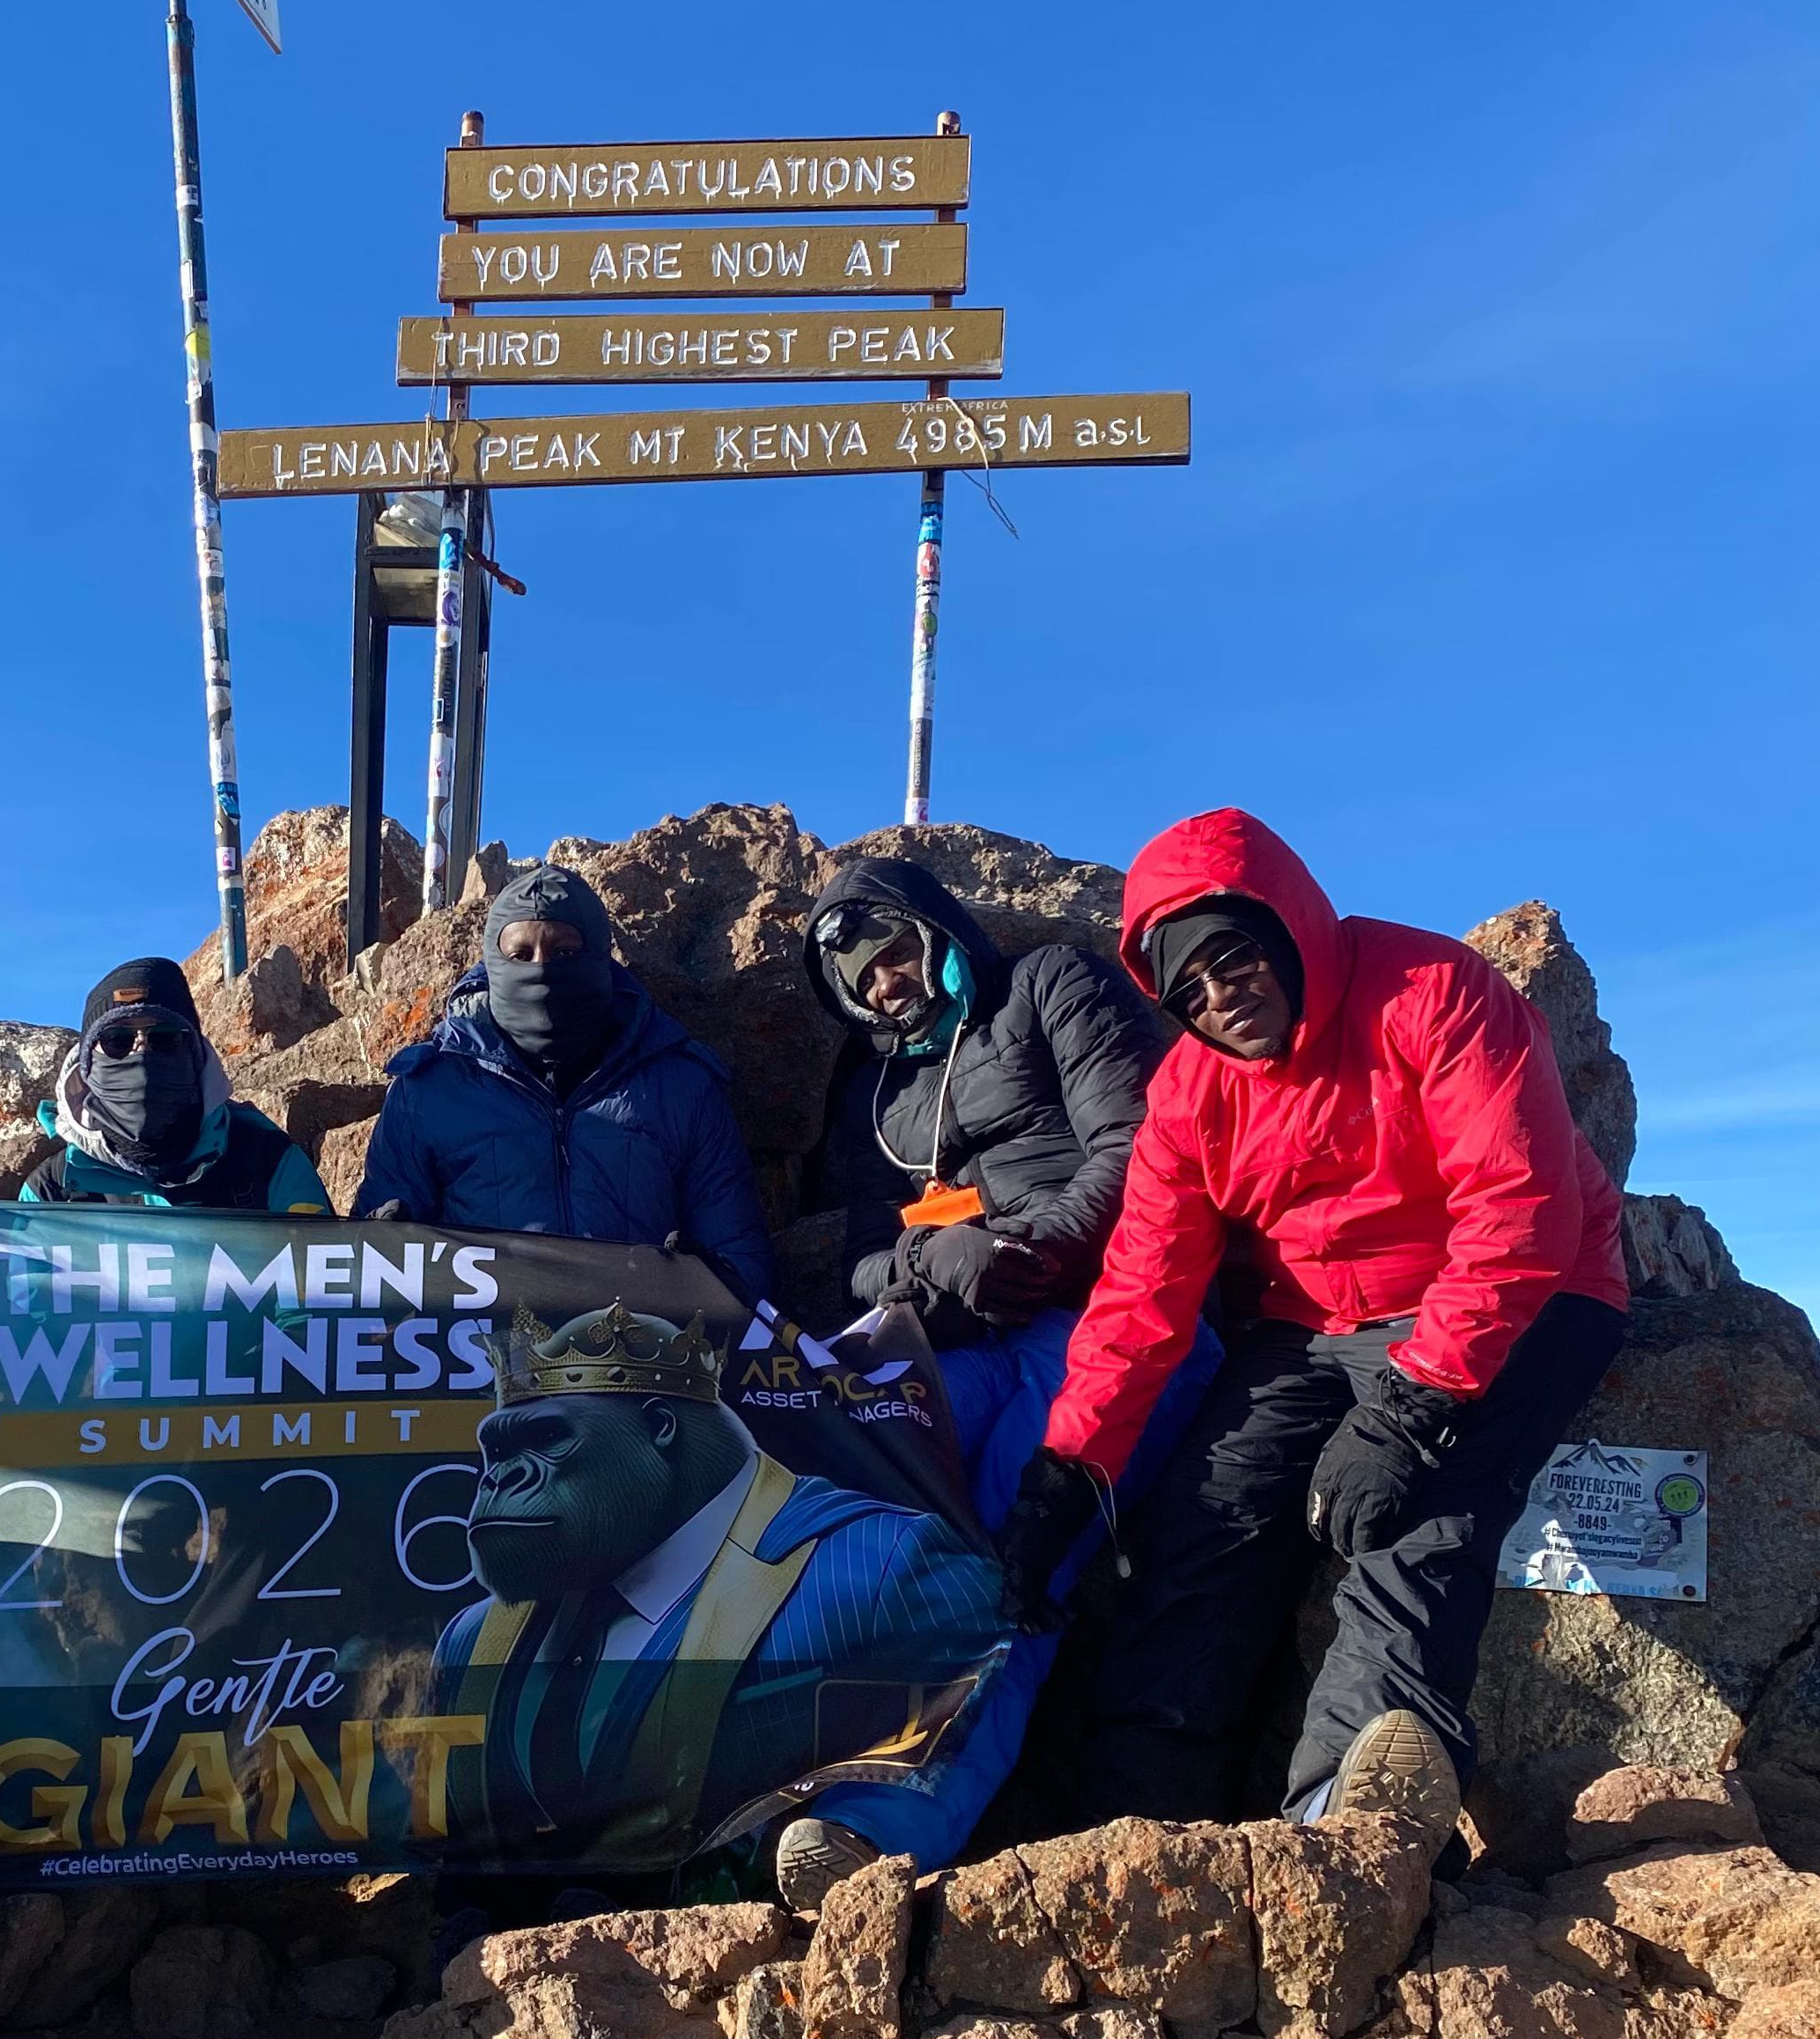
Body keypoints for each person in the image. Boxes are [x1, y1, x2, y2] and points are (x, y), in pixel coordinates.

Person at [993, 806, 1629, 1842]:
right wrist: (1068, 1474)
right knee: (1203, 1528)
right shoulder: (1189, 1093)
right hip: (1313, 1318)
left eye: (1234, 959)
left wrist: (1413, 1406)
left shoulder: (1436, 992)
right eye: (1186, 989)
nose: (1219, 999)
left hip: (1525, 1292)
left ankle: (1350, 1843)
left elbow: (1521, 1212)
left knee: (1413, 1534)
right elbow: (1140, 1293)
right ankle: (1136, 1837)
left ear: (1287, 923)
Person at [774, 854, 1219, 1910]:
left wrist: (1031, 1252)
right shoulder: (880, 1087)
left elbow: (1143, 1149)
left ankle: (876, 1840)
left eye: (892, 954)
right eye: (860, 981)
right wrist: (938, 1267)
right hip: (963, 1338)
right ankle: (754, 1786)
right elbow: (858, 1254)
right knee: (838, 1502)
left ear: (934, 929)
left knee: (1008, 1564)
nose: (884, 984)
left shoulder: (1052, 983)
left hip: (1116, 1321)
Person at [430, 1301, 1002, 1871]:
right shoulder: (469, 1640)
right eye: (499, 1450)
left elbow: (962, 1708)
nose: (502, 1477)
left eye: (546, 1439)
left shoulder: (883, 1564)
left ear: (660, 1428)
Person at [353, 865, 776, 1301]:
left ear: (597, 957)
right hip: (479, 1356)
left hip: (637, 1352)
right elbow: (368, 1274)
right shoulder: (429, 1090)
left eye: (564, 952)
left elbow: (740, 1255)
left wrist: (700, 1289)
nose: (541, 970)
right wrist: (385, 1253)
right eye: (521, 954)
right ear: (494, 963)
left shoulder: (680, 1085)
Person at [0, 955, 327, 1293]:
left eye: (164, 1039)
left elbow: (317, 1308)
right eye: (116, 1041)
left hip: (246, 1411)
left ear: (196, 1056)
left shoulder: (266, 1161)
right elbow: (20, 1331)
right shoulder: (55, 1190)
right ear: (87, 1067)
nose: (141, 1054)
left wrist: (393, 1261)